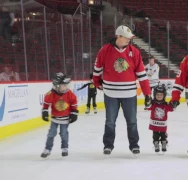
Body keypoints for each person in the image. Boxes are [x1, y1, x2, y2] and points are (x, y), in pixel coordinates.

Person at [92, 25, 152, 156]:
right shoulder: (105, 50)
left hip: (129, 94)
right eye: (126, 38)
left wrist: (148, 93)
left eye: (130, 38)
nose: (129, 40)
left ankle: (134, 145)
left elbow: (142, 74)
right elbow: (97, 70)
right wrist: (97, 83)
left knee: (132, 121)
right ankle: (108, 145)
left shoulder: (134, 52)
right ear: (118, 36)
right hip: (110, 94)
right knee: (110, 121)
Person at [40, 72, 78, 158]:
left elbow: (74, 103)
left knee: (64, 134)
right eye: (63, 85)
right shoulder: (51, 94)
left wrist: (74, 113)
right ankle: (47, 149)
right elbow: (46, 104)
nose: (66, 87)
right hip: (55, 119)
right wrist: (45, 111)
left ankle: (65, 148)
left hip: (65, 119)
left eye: (66, 85)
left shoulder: (69, 93)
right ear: (57, 85)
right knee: (51, 134)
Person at [145, 83, 174, 153]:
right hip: (154, 124)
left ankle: (164, 143)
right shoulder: (153, 104)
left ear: (164, 95)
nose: (159, 96)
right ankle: (156, 143)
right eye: (157, 95)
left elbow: (172, 108)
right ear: (154, 95)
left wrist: (174, 103)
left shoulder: (166, 105)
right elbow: (148, 107)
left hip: (162, 124)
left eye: (161, 95)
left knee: (163, 135)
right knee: (155, 135)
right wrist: (147, 103)